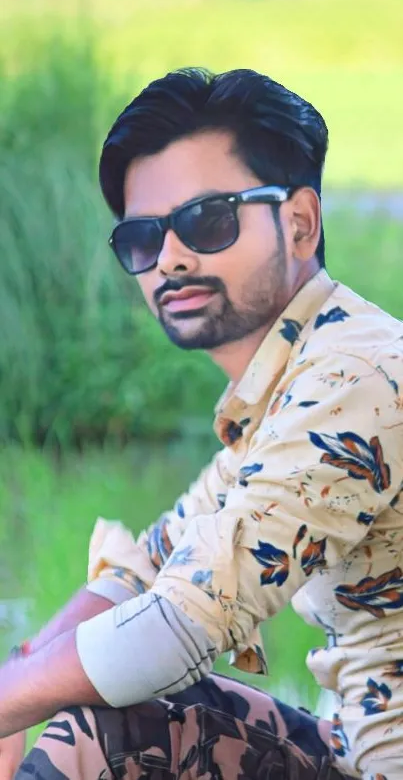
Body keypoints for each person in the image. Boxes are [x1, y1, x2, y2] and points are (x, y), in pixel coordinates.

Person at [2, 68, 402, 780]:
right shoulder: (286, 387)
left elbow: (170, 631)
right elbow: (150, 566)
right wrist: (16, 680)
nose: (171, 259)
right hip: (353, 754)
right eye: (142, 238)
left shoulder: (352, 379)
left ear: (300, 221)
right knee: (113, 722)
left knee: (112, 712)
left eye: (207, 219)